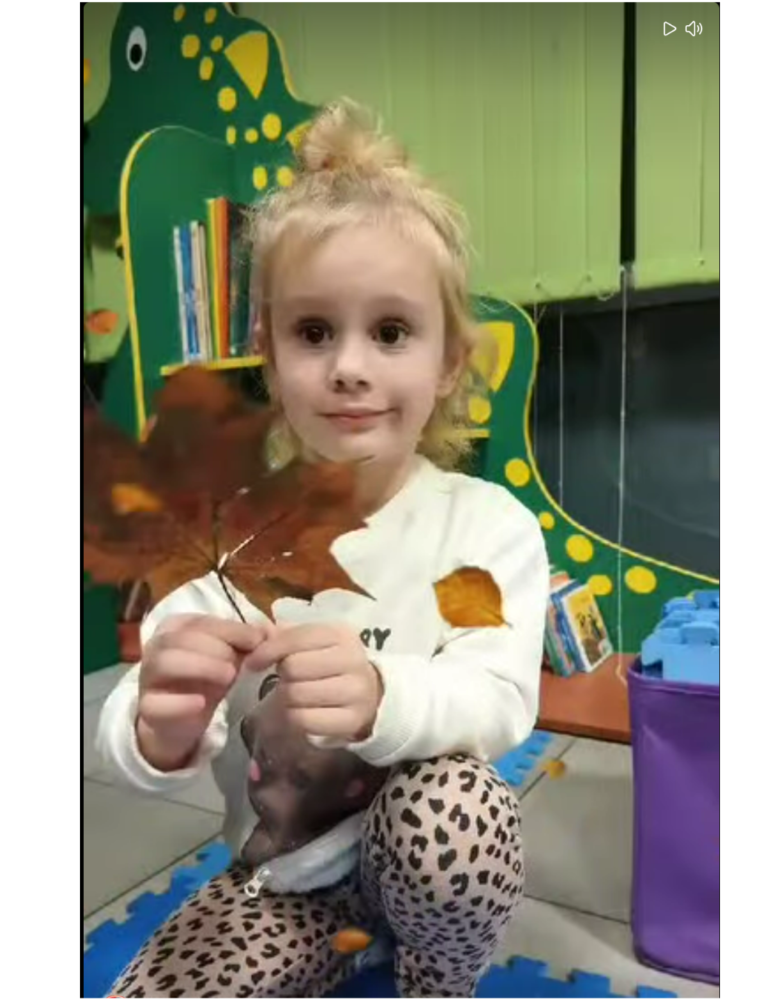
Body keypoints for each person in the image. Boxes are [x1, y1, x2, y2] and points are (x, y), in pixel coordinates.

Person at [98, 99, 549, 999]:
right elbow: (143, 707)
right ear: (268, 357)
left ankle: (432, 974)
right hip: (280, 879)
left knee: (460, 809)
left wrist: (384, 693)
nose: (349, 366)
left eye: (391, 332)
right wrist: (153, 727)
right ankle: (326, 947)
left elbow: (498, 696)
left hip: (421, 858)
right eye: (312, 333)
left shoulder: (479, 530)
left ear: (448, 362)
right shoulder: (225, 544)